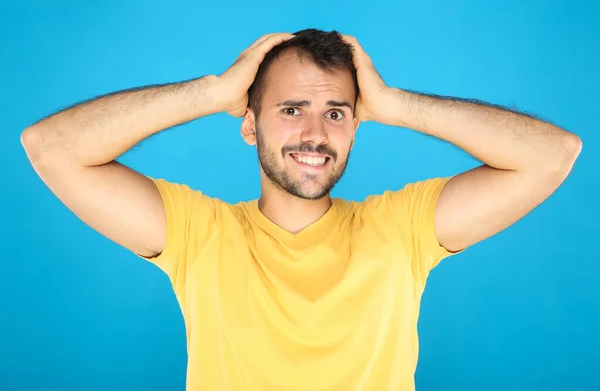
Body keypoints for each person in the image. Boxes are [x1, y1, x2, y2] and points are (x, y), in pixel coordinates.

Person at [21, 29, 582, 390]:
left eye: (337, 113)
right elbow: (51, 148)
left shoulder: (402, 228)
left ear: (356, 130)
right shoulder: (199, 232)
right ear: (249, 124)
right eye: (292, 109)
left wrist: (395, 104)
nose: (315, 133)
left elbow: (553, 155)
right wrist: (213, 91)